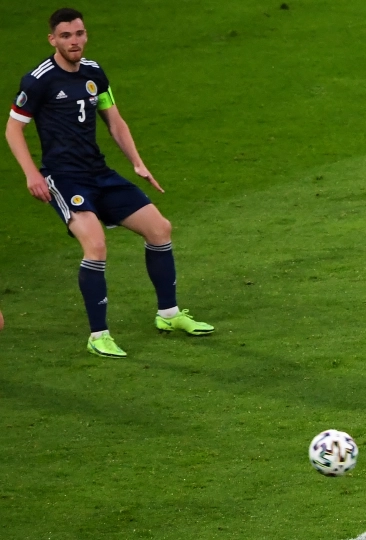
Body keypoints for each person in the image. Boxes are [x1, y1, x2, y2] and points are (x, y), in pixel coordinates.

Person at [5, 8, 213, 358]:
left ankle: (169, 314)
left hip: (99, 173)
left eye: (79, 33)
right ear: (53, 39)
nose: (74, 41)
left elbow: (114, 121)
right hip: (64, 178)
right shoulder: (39, 80)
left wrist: (137, 162)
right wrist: (31, 174)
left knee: (160, 229)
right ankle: (98, 335)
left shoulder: (94, 72)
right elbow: (13, 129)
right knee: (96, 245)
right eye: (66, 36)